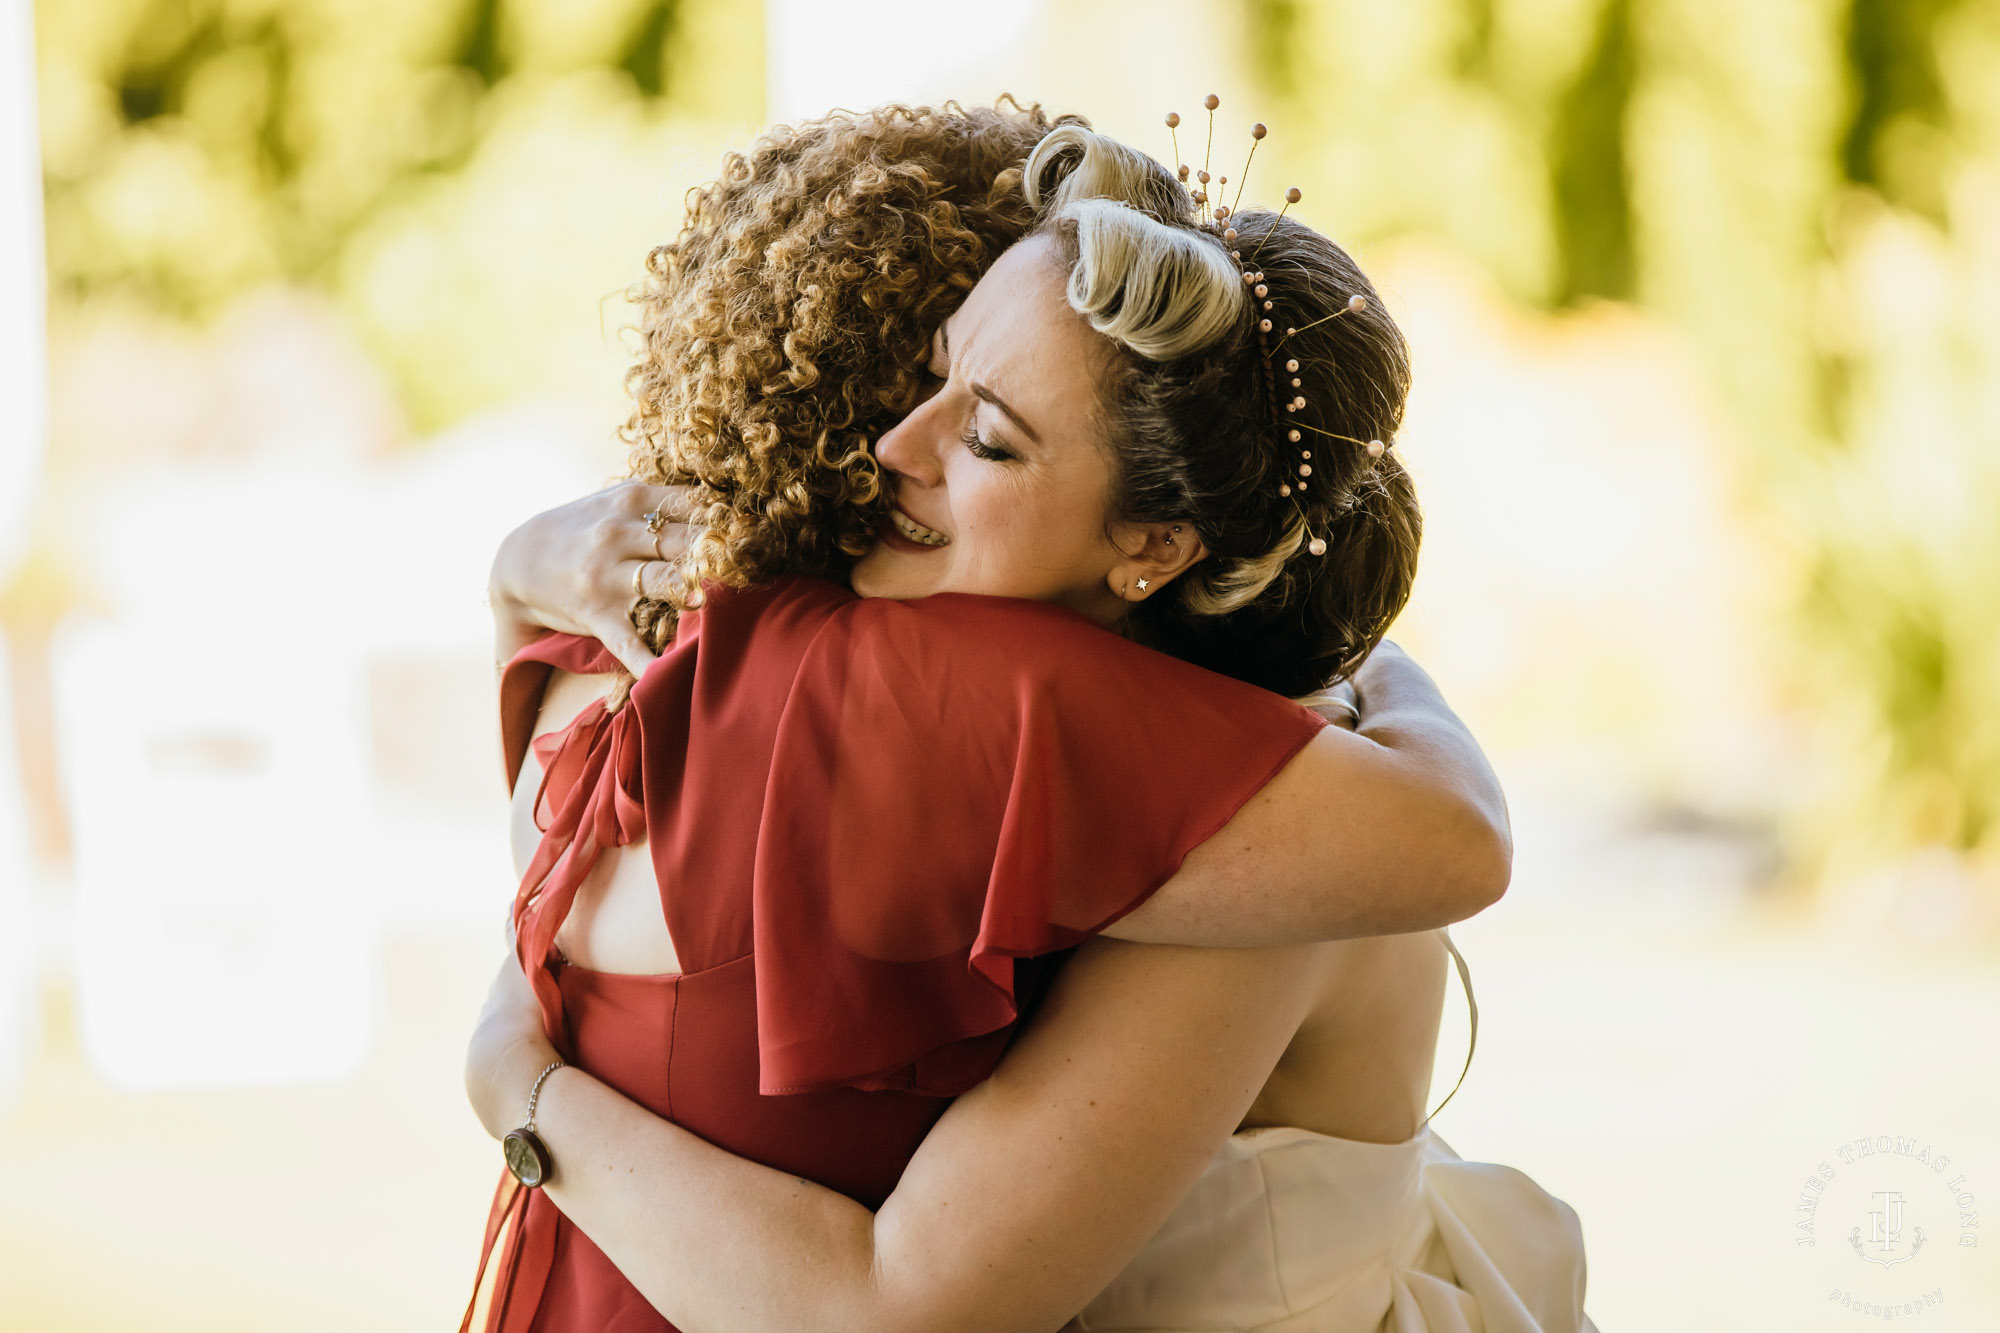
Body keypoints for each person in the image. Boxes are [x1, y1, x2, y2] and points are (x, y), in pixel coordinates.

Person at [465, 110, 1594, 1333]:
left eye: (991, 439)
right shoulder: (917, 684)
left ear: (1156, 546)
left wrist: (522, 1091)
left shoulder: (1164, 790)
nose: (899, 443)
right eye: (931, 370)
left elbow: (1456, 839)